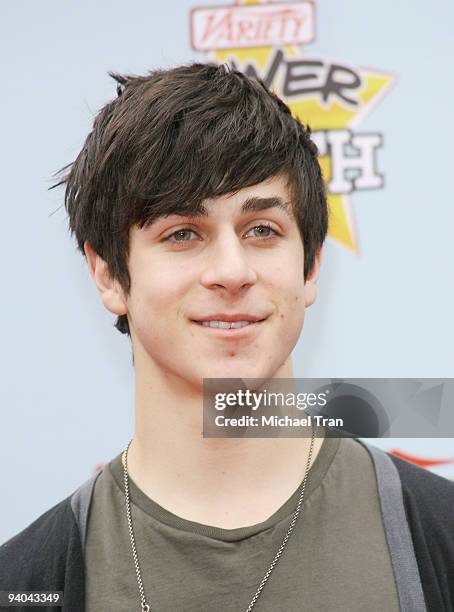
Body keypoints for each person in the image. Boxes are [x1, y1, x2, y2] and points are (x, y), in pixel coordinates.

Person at [0, 63, 453, 612]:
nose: (231, 270)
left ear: (310, 265)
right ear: (110, 276)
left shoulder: (437, 534)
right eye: (182, 233)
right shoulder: (25, 581)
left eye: (262, 230)